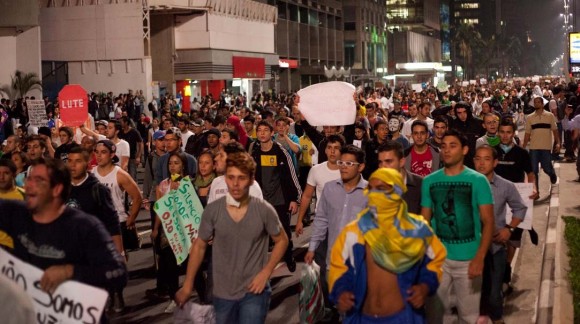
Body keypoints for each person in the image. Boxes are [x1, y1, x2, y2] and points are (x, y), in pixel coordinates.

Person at [0, 158, 127, 322]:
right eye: (29, 179)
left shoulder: (85, 227)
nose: (28, 185)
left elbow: (118, 273)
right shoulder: (16, 214)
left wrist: (70, 271)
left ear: (56, 189)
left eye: (38, 181)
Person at [174, 152, 289, 324]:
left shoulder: (264, 210)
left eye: (241, 178)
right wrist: (188, 283)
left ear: (251, 180)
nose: (235, 184)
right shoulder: (213, 210)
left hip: (254, 291)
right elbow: (199, 245)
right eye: (231, 177)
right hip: (222, 291)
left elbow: (282, 240)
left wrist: (266, 273)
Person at [328, 168, 446, 323]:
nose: (374, 194)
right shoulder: (354, 231)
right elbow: (339, 267)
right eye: (371, 188)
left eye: (381, 189)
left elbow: (434, 263)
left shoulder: (417, 230)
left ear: (397, 192)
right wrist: (341, 291)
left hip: (403, 318)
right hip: (362, 318)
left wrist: (424, 287)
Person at [422, 129, 494, 324]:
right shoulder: (429, 181)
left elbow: (488, 222)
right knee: (435, 316)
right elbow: (424, 222)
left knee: (468, 317)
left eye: (452, 146)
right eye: (443, 146)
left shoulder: (478, 181)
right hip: (438, 261)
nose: (446, 150)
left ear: (464, 150)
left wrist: (480, 257)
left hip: (469, 260)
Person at [304, 144, 368, 314]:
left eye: (349, 164)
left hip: (360, 264)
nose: (343, 167)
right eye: (341, 163)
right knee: (338, 307)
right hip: (333, 261)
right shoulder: (330, 188)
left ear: (361, 167)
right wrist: (312, 247)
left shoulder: (371, 192)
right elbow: (321, 219)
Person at [473, 145, 527, 323]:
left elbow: (520, 208)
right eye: (478, 159)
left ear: (495, 162)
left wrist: (509, 229)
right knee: (472, 296)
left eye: (487, 159)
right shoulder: (465, 185)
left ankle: (497, 320)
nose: (481, 163)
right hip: (470, 250)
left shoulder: (505, 186)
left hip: (495, 249)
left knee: (494, 294)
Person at [92, 139, 143, 312]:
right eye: (96, 152)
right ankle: (107, 294)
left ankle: (118, 295)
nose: (98, 156)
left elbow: (137, 197)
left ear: (112, 154)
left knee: (117, 262)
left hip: (117, 223)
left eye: (103, 152)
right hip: (98, 225)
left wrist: (131, 218)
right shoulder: (91, 174)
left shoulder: (119, 174)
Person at [250, 120, 302, 272]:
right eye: (259, 130)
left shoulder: (281, 151)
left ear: (272, 133)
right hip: (261, 200)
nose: (262, 133)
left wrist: (295, 199)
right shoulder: (254, 152)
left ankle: (288, 255)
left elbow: (291, 176)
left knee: (283, 231)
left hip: (279, 200)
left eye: (266, 130)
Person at [65, 146, 123, 254]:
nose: (72, 165)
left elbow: (112, 223)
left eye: (78, 161)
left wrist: (119, 254)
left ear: (87, 163)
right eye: (70, 161)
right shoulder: (60, 189)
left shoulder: (99, 190)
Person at [295, 134, 345, 235]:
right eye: (329, 147)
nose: (332, 151)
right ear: (325, 150)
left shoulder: (349, 171)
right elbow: (307, 196)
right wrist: (299, 220)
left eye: (336, 148)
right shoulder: (316, 170)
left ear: (342, 151)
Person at [521, 96, 560, 187]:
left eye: (538, 102)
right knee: (534, 170)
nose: (536, 104)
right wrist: (523, 146)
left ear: (542, 104)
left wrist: (558, 143)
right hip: (534, 148)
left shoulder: (550, 116)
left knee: (546, 168)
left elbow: (555, 130)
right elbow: (527, 134)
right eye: (535, 102)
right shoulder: (530, 117)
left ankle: (552, 174)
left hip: (546, 147)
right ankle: (536, 191)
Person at [377, 141, 423, 214]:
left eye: (388, 161)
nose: (383, 167)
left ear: (401, 162)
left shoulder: (421, 185)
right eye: (380, 162)